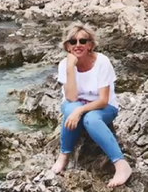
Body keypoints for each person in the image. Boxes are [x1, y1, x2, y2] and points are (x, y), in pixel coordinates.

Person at [51, 21, 132, 188]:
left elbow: (103, 99)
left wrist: (80, 110)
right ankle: (64, 154)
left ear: (90, 45)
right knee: (72, 108)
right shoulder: (64, 65)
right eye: (73, 41)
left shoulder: (102, 62)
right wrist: (70, 69)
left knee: (90, 119)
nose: (78, 45)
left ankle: (121, 165)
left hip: (104, 107)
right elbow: (72, 97)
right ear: (67, 46)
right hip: (74, 104)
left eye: (83, 41)